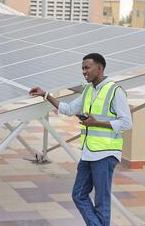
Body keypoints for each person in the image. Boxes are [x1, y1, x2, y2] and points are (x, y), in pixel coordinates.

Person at [29, 53, 132, 226]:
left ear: (100, 68)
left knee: (101, 200)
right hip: (88, 152)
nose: (84, 71)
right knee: (78, 194)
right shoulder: (88, 90)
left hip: (105, 154)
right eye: (82, 68)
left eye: (87, 67)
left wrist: (96, 123)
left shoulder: (115, 91)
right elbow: (68, 109)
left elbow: (127, 123)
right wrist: (45, 95)